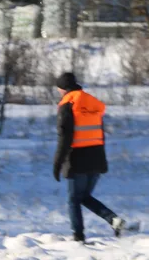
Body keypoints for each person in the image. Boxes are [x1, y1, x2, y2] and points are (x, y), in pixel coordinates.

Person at [53, 72, 131, 242]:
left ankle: (78, 236)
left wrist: (57, 163)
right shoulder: (91, 101)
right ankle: (114, 220)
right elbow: (100, 134)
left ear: (62, 89)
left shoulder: (67, 104)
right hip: (96, 157)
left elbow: (64, 138)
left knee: (73, 200)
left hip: (77, 158)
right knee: (84, 197)